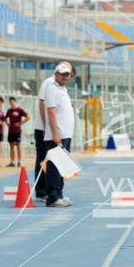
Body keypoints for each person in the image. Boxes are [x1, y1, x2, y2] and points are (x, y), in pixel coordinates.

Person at [33, 61, 75, 202]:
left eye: (67, 75)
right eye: (63, 74)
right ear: (56, 74)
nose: (65, 77)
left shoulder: (63, 88)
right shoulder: (50, 84)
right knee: (49, 162)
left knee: (60, 164)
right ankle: (47, 193)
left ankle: (57, 193)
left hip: (62, 132)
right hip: (49, 130)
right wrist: (48, 129)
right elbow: (46, 108)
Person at [5, 97, 31, 167]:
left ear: (15, 102)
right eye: (10, 103)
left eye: (13, 102)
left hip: (17, 131)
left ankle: (19, 161)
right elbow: (5, 118)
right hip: (11, 131)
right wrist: (7, 124)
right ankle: (12, 162)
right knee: (11, 146)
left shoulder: (20, 110)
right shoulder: (9, 111)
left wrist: (21, 123)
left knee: (18, 146)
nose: (12, 104)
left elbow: (28, 117)